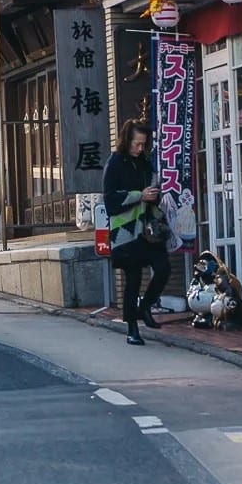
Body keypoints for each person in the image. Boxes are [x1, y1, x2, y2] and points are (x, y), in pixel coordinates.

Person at [103, 120, 170, 345]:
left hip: (149, 229)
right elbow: (110, 199)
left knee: (163, 268)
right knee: (133, 280)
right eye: (136, 144)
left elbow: (154, 192)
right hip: (126, 231)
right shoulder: (114, 162)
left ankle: (146, 306)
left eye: (143, 144)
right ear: (126, 140)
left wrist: (156, 193)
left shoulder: (145, 163)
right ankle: (132, 327)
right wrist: (139, 195)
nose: (140, 149)